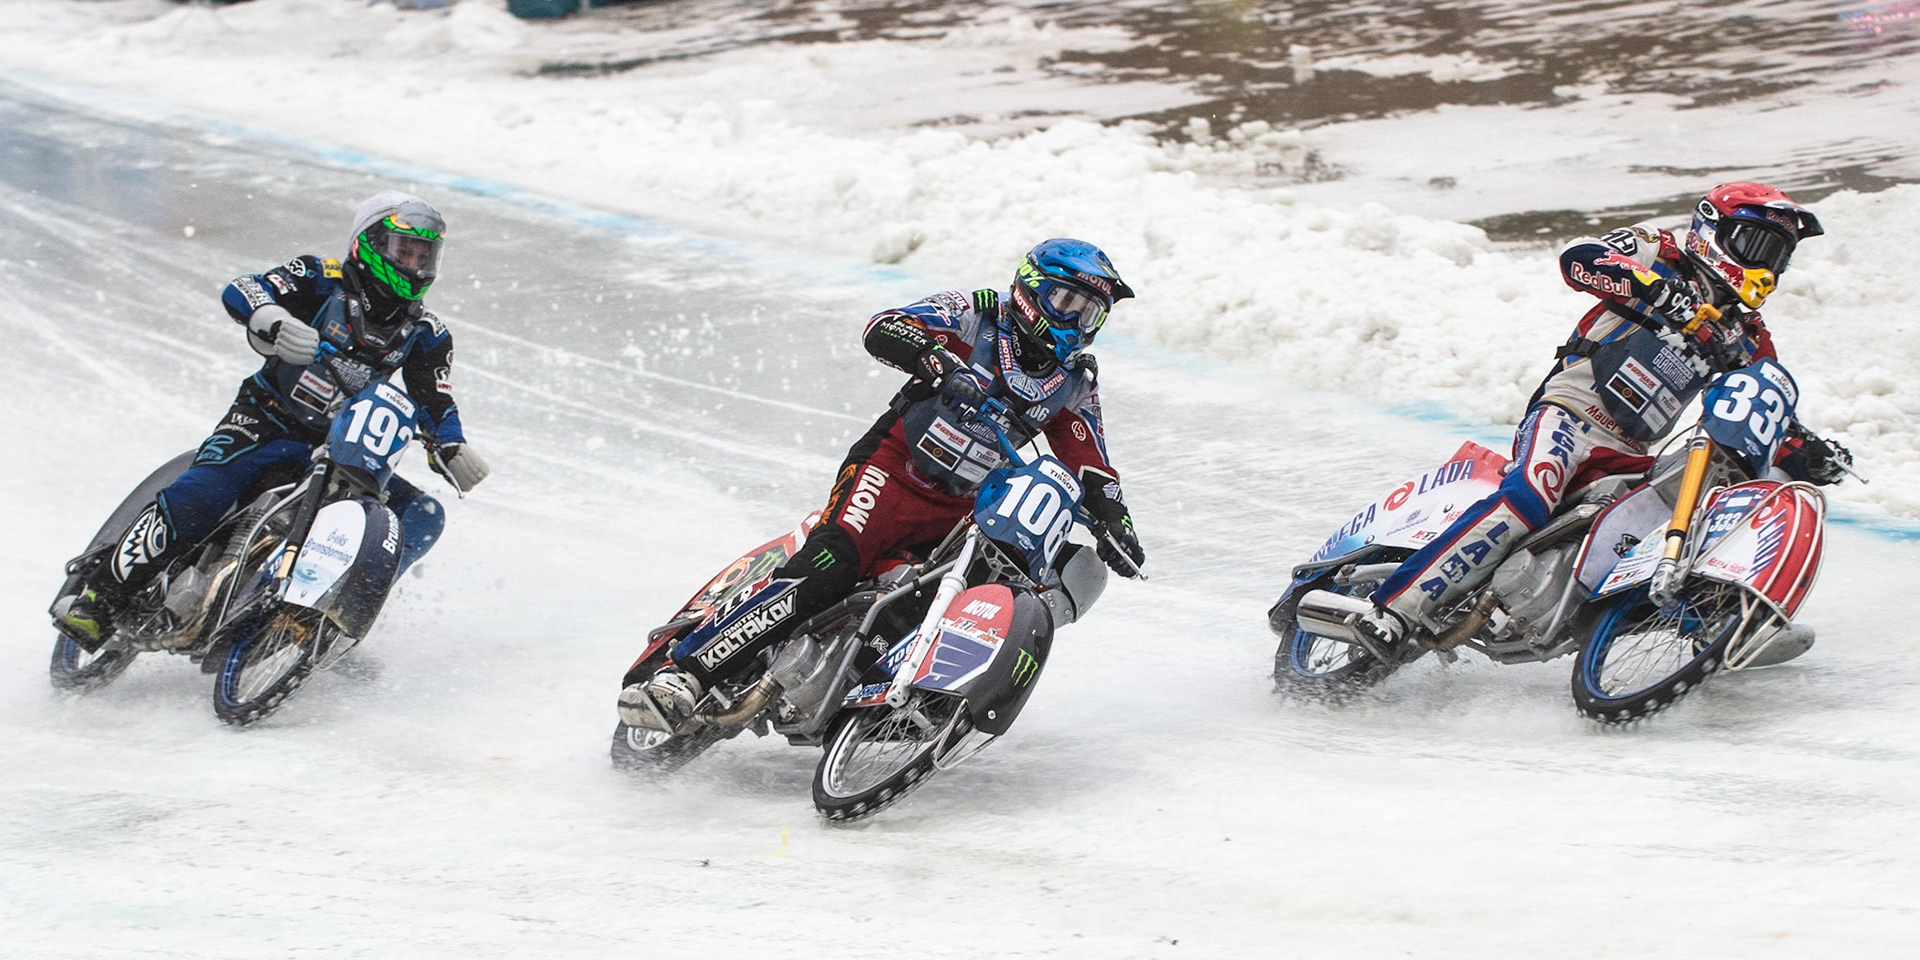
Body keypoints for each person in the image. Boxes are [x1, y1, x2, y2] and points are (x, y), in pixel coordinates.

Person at [621, 238, 1146, 730]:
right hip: (891, 471)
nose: (1075, 320)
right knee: (830, 566)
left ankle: (888, 694)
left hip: (962, 510)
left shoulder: (1074, 382)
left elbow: (1093, 465)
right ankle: (686, 673)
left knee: (949, 594)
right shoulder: (977, 312)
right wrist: (937, 361)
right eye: (1066, 301)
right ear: (1031, 290)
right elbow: (886, 326)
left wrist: (1117, 524)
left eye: (1090, 312)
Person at [1361, 182, 1849, 641]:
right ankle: (1392, 610)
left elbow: (1756, 407)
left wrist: (1807, 453)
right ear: (1714, 231)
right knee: (1531, 493)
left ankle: (1711, 621)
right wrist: (1653, 288)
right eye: (1759, 247)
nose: (1768, 267)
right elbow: (1579, 258)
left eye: (1779, 256)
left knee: (1677, 513)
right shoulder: (1659, 252)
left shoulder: (1747, 337)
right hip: (1570, 413)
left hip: (1629, 451)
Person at [52, 191, 490, 650]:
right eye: (405, 251)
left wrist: (451, 444)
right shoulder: (321, 277)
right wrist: (274, 319)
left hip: (344, 449)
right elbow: (244, 289)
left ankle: (330, 625)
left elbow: (434, 399)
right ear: (371, 243)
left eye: (424, 256)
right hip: (266, 420)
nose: (415, 265)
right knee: (202, 492)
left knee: (421, 517)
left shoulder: (427, 333)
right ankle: (98, 598)